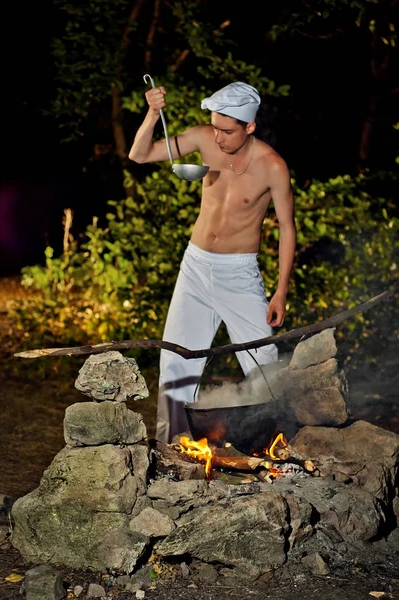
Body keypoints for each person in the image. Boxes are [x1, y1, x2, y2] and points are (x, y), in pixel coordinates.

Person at [129, 81, 296, 443]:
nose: (218, 137)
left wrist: (281, 291)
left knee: (263, 362)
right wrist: (153, 113)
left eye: (227, 130)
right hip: (195, 267)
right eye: (215, 126)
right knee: (175, 361)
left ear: (249, 126)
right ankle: (174, 445)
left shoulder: (273, 166)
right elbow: (139, 155)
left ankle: (277, 442)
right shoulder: (205, 138)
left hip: (239, 273)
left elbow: (286, 228)